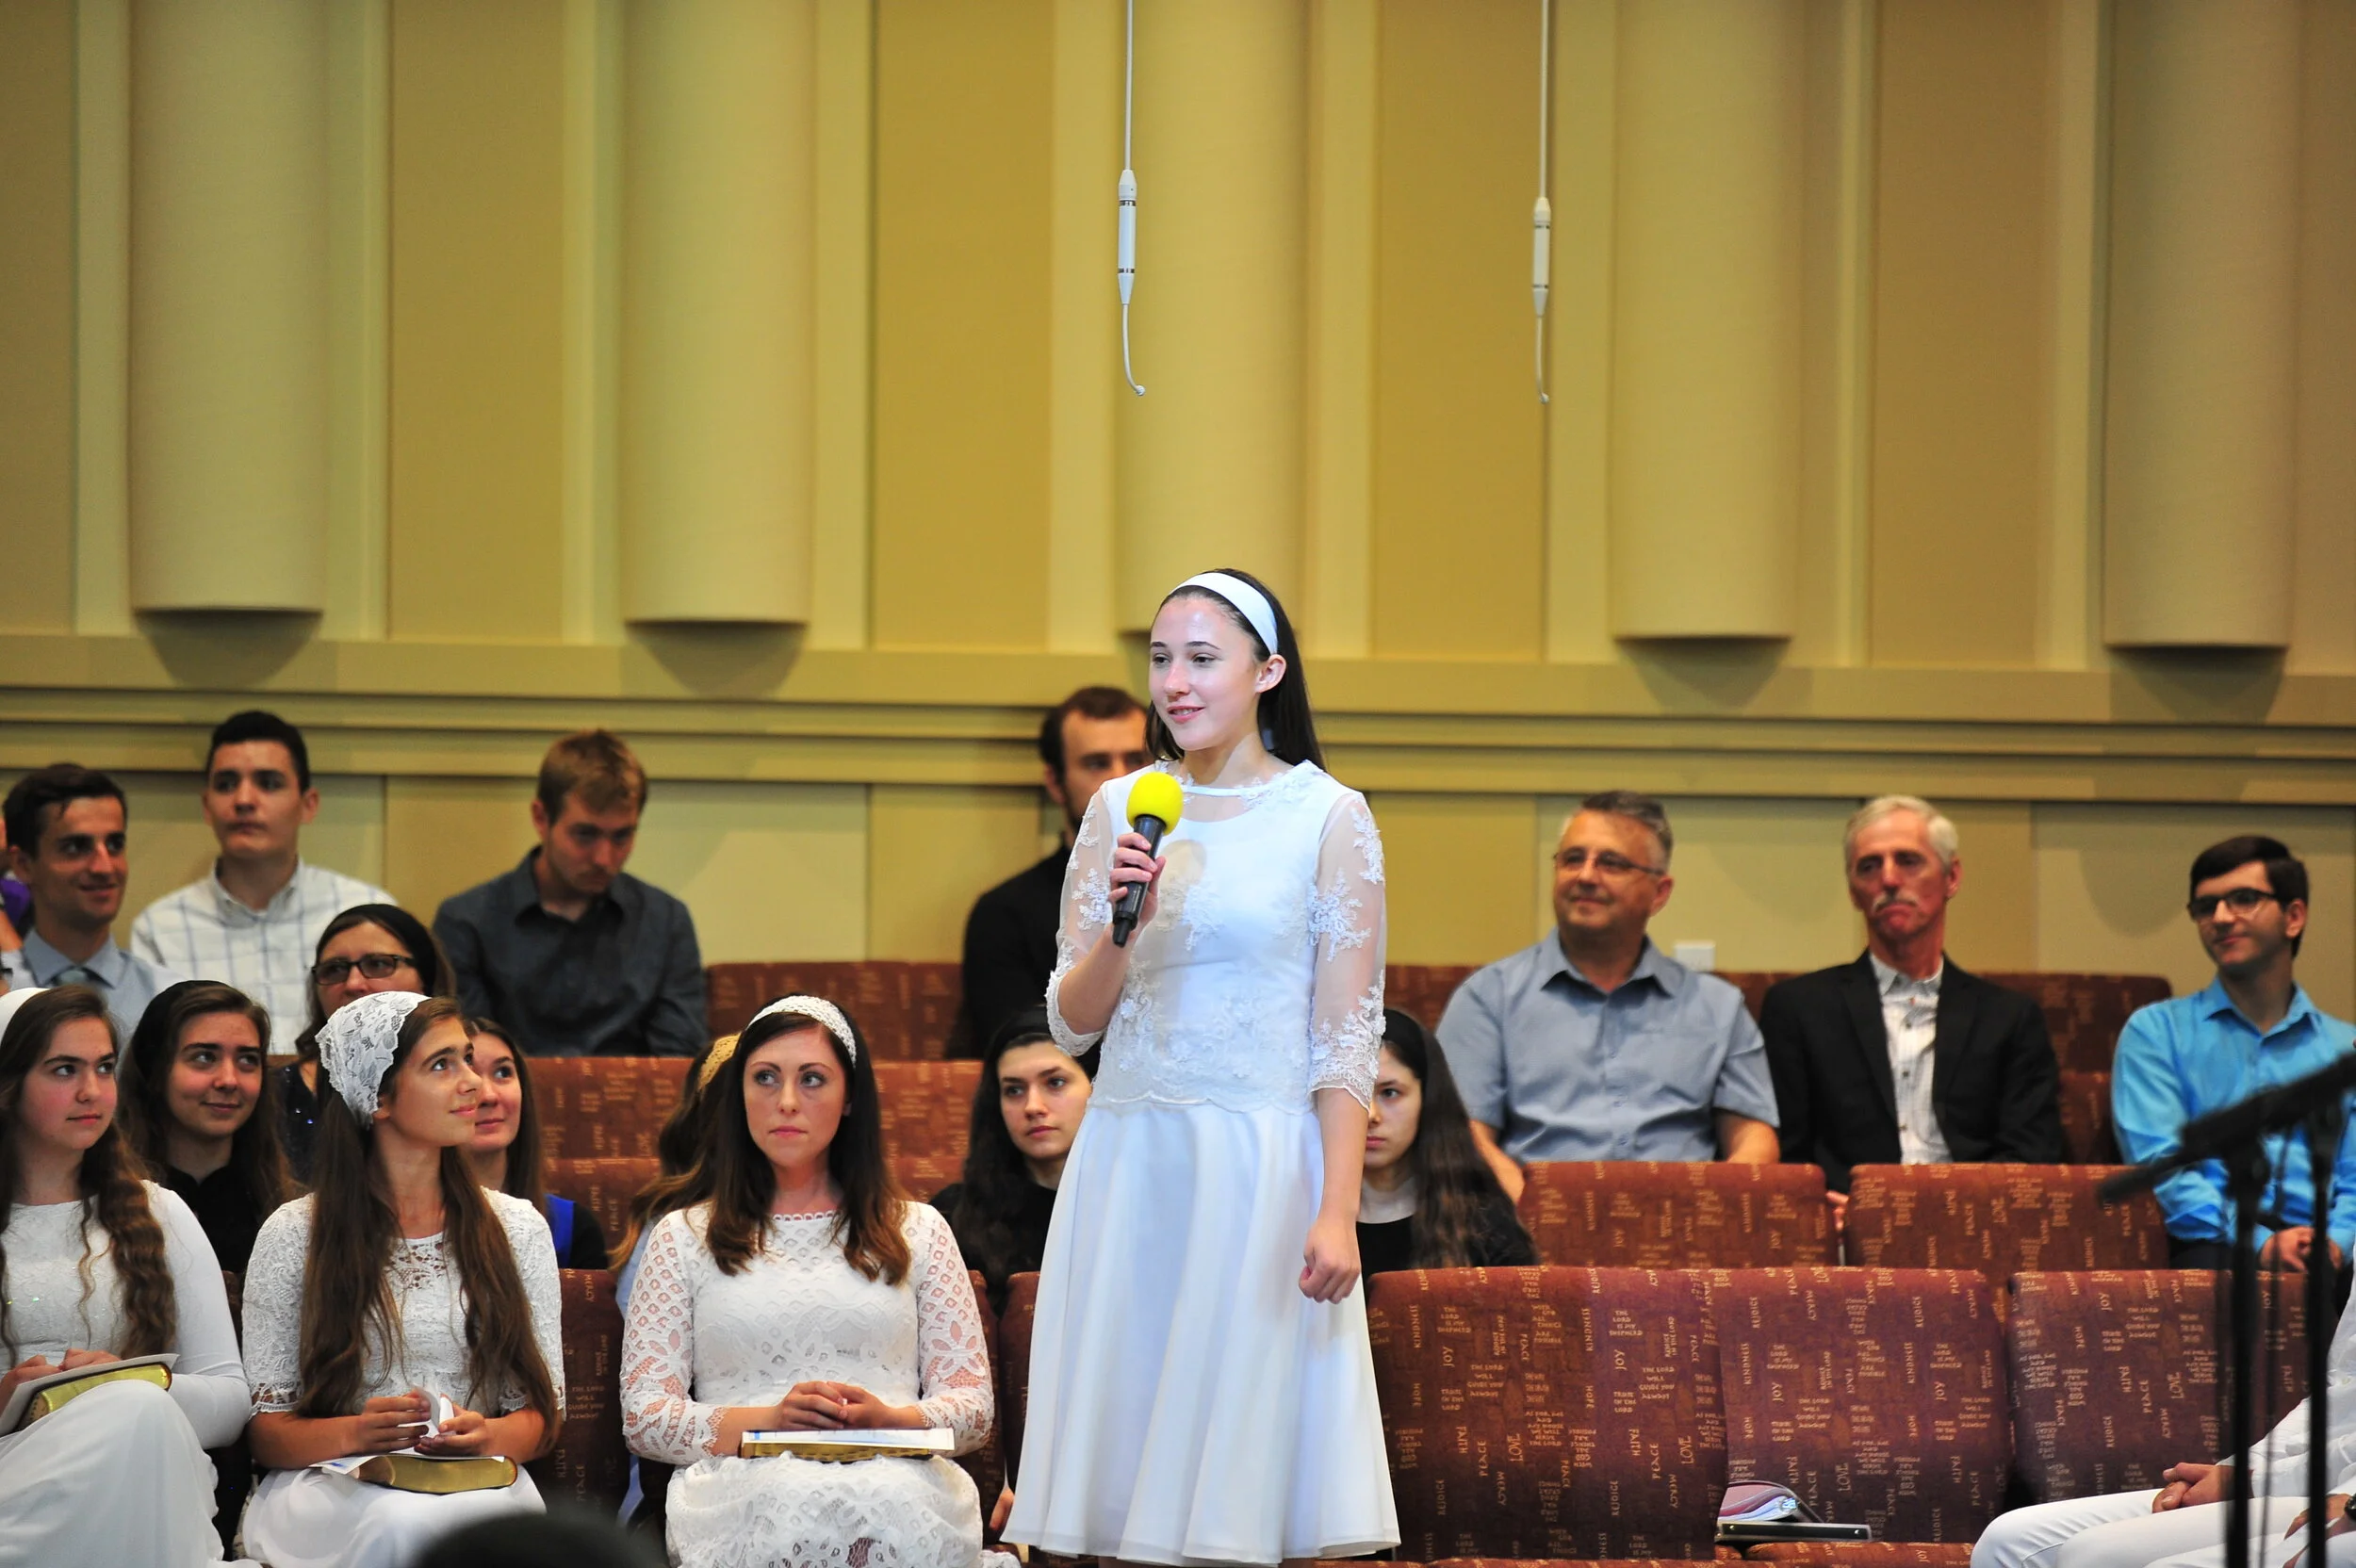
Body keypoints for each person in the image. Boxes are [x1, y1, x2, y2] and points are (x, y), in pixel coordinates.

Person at [1004, 566, 1399, 1565]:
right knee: (1122, 1459)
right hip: (1132, 1157)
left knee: (1243, 1474)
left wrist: (1337, 1208)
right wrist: (1123, 928)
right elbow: (1072, 1022)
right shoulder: (1120, 807)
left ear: (1268, 672)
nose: (1175, 682)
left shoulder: (1328, 815)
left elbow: (1344, 1034)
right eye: (1160, 658)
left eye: (1202, 658)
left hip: (1260, 1164)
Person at [619, 996, 1000, 1567]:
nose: (787, 1101)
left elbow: (972, 1410)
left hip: (898, 1480)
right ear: (738, 1095)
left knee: (886, 1505)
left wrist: (889, 1420)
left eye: (813, 1079)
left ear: (850, 1099)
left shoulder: (919, 1229)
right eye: (765, 1078)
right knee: (786, 1504)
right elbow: (645, 1418)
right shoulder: (682, 1236)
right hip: (742, 1487)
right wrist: (771, 1423)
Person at [240, 991, 564, 1568]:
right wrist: (357, 1433)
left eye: (468, 1060)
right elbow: (267, 1433)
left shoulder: (517, 1228)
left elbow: (542, 1418)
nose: (474, 1084)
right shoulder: (294, 1233)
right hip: (335, 1484)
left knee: (468, 1533)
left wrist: (485, 1436)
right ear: (379, 1098)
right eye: (442, 1065)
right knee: (404, 1524)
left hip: (475, 1480)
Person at [0, 986, 251, 1566]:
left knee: (137, 1410)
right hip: (14, 1471)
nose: (92, 1091)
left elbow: (231, 1400)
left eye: (104, 1067)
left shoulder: (160, 1213)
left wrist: (127, 1384)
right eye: (64, 1069)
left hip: (143, 1462)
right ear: (9, 1085)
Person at [1436, 791, 1779, 1202]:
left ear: (1659, 892)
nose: (1585, 876)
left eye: (1611, 863)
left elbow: (1754, 1138)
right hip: (1529, 1224)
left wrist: (1703, 1213)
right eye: (1573, 859)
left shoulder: (1718, 1008)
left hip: (1681, 1227)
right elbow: (1461, 1135)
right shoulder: (1488, 998)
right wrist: (1539, 1213)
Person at [1759, 795, 2063, 1221]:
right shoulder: (1799, 1008)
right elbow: (1786, 1155)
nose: (1888, 879)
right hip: (1844, 1230)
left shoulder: (2009, 1018)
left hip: (1972, 1225)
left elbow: (2032, 1156)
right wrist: (1825, 1209)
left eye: (1908, 861)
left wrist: (1928, 1211)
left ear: (1951, 877)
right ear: (1853, 892)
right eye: (1869, 866)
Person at [1972, 1271, 2356, 1568]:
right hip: (2319, 1477)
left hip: (2343, 1494)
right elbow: (2341, 1386)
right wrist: (2243, 1470)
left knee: (2096, 1556)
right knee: (2010, 1541)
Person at [2114, 836, 2356, 1271]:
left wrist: (2337, 1243)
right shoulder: (2156, 1032)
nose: (2221, 918)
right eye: (2206, 907)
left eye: (2244, 899)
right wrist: (2262, 1242)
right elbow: (2162, 1168)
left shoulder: (2345, 1048)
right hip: (2214, 1244)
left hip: (2336, 1250)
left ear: (2294, 917)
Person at [130, 710, 395, 1053]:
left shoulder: (369, 913)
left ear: (308, 804)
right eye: (226, 785)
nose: (243, 800)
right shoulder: (158, 930)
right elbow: (154, 1062)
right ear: (207, 806)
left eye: (268, 783)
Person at [434, 730, 706, 1057]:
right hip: (508, 1090)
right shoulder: (466, 922)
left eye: (621, 836)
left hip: (637, 1092)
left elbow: (677, 1064)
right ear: (541, 818)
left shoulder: (665, 921)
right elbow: (469, 1058)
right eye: (585, 835)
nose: (604, 858)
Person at [953, 690, 1150, 1056]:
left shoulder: (1193, 883)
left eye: (1136, 760)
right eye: (1097, 764)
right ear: (1055, 783)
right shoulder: (1004, 913)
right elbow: (1018, 1050)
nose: (1120, 780)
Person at [118, 979, 294, 1272]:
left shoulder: (289, 1212)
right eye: (204, 1057)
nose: (229, 1080)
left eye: (247, 1060)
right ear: (155, 1070)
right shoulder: (104, 1206)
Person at [932, 1006, 1098, 1313]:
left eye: (1055, 1083)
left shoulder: (1137, 1208)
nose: (1033, 1106)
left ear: (1097, 1088)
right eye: (1014, 1090)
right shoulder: (951, 1218)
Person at [1, 764, 183, 1037]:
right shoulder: (4, 992)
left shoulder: (170, 1002)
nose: (104, 867)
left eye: (114, 845)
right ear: (24, 865)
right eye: (76, 847)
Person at [278, 903, 454, 1183]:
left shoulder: (473, 1078)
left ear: (426, 979)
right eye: (335, 970)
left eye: (378, 964)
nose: (353, 984)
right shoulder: (274, 1093)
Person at [1358, 1008, 1537, 1277]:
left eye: (1390, 1093)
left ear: (1427, 1099)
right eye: (1354, 1094)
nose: (1371, 1115)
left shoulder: (1483, 1223)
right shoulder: (1299, 1216)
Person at [466, 1017, 610, 1270]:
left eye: (503, 1073)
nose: (488, 1095)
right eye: (468, 1075)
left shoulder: (570, 1228)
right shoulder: (406, 1229)